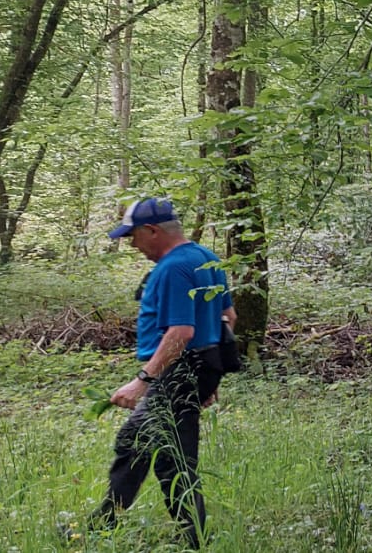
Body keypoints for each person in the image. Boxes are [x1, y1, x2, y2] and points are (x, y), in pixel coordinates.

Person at [85, 197, 235, 548]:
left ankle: (191, 540)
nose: (132, 245)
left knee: (166, 455)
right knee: (142, 445)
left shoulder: (172, 268)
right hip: (198, 366)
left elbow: (181, 331)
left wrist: (142, 381)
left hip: (178, 371)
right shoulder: (206, 258)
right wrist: (210, 375)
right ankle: (105, 524)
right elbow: (228, 317)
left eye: (133, 236)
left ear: (152, 230)